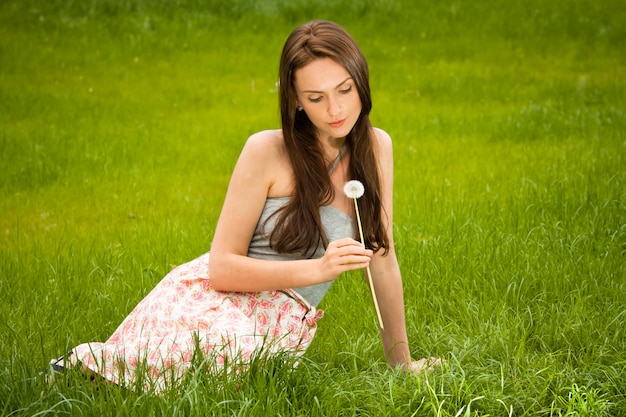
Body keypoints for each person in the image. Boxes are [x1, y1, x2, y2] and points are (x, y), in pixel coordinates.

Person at [50, 20, 441, 392]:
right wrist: (319, 269)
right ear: (296, 101)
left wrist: (401, 363)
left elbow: (382, 260)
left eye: (345, 90)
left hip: (279, 322)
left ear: (361, 82)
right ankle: (85, 374)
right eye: (316, 98)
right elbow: (221, 268)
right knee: (208, 360)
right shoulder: (266, 151)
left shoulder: (376, 148)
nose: (335, 110)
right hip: (211, 300)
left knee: (239, 368)